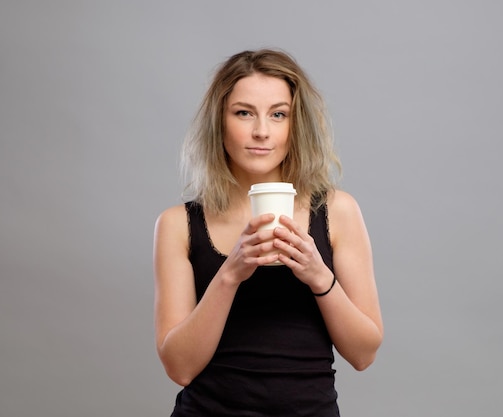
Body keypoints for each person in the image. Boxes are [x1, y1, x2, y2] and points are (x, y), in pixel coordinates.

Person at [153, 48, 383, 416]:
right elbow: (179, 368)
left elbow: (364, 353)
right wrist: (230, 274)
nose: (261, 131)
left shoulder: (337, 211)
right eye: (244, 113)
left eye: (278, 115)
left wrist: (318, 275)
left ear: (296, 124)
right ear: (220, 121)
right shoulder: (177, 224)